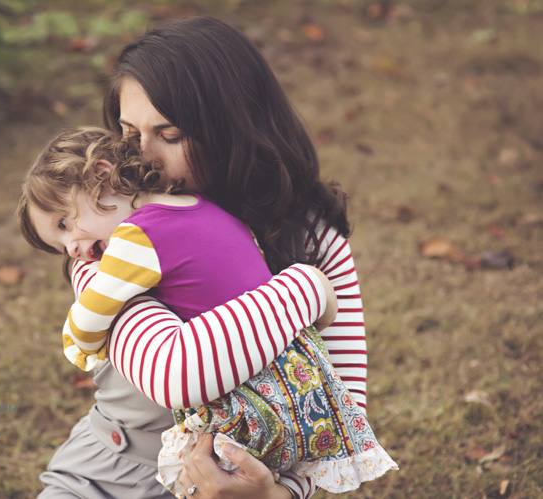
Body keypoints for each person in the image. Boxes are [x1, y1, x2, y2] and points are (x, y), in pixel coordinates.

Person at [33, 16, 371, 499]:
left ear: (233, 128)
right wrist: (306, 290)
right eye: (129, 134)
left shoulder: (310, 231)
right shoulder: (105, 241)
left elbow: (343, 410)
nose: (142, 158)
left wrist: (277, 494)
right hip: (107, 479)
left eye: (169, 135)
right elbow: (177, 371)